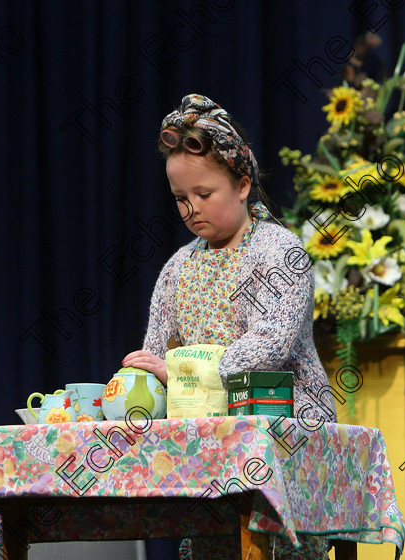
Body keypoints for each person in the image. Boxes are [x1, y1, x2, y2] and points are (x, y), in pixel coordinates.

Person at [122, 93, 335, 560]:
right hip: (206, 448)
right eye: (181, 198)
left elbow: (268, 345)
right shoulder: (177, 268)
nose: (190, 208)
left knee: (278, 547)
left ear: (242, 185)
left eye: (203, 194)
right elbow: (155, 350)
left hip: (283, 426)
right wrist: (135, 381)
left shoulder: (279, 252)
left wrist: (175, 371)